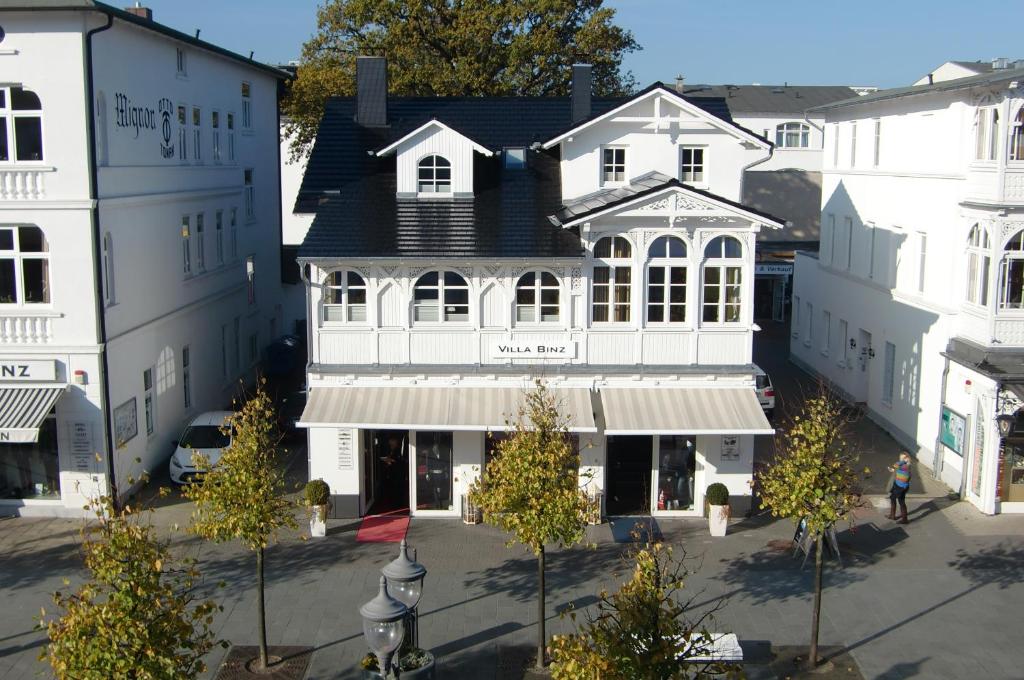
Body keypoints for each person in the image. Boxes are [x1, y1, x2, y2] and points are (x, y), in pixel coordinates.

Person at [887, 451, 912, 524]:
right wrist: (892, 470)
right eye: (900, 458)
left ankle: (904, 519)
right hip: (898, 485)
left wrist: (903, 461)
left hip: (901, 487)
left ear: (907, 458)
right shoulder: (904, 466)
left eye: (903, 458)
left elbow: (896, 465)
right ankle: (893, 516)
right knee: (894, 498)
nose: (901, 459)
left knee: (900, 501)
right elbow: (897, 469)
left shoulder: (906, 466)